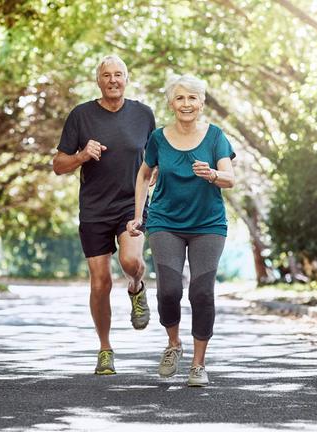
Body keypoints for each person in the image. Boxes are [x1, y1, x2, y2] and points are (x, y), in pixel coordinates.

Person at [126, 74, 236, 387]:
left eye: (192, 98)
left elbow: (231, 178)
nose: (186, 104)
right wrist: (138, 217)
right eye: (180, 98)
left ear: (201, 103)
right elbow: (144, 174)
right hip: (165, 222)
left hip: (208, 224)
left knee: (201, 292)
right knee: (170, 290)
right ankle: (173, 345)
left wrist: (213, 174)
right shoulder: (159, 138)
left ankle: (198, 365)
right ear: (171, 103)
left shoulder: (215, 137)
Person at [53, 55, 156, 375]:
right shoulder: (81, 116)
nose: (113, 80)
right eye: (106, 75)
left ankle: (136, 287)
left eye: (119, 74)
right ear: (98, 81)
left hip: (132, 204)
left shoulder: (143, 114)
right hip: (95, 208)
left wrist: (156, 174)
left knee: (131, 263)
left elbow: (155, 158)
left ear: (127, 78)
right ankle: (105, 349)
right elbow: (58, 165)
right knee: (100, 282)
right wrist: (83, 155)